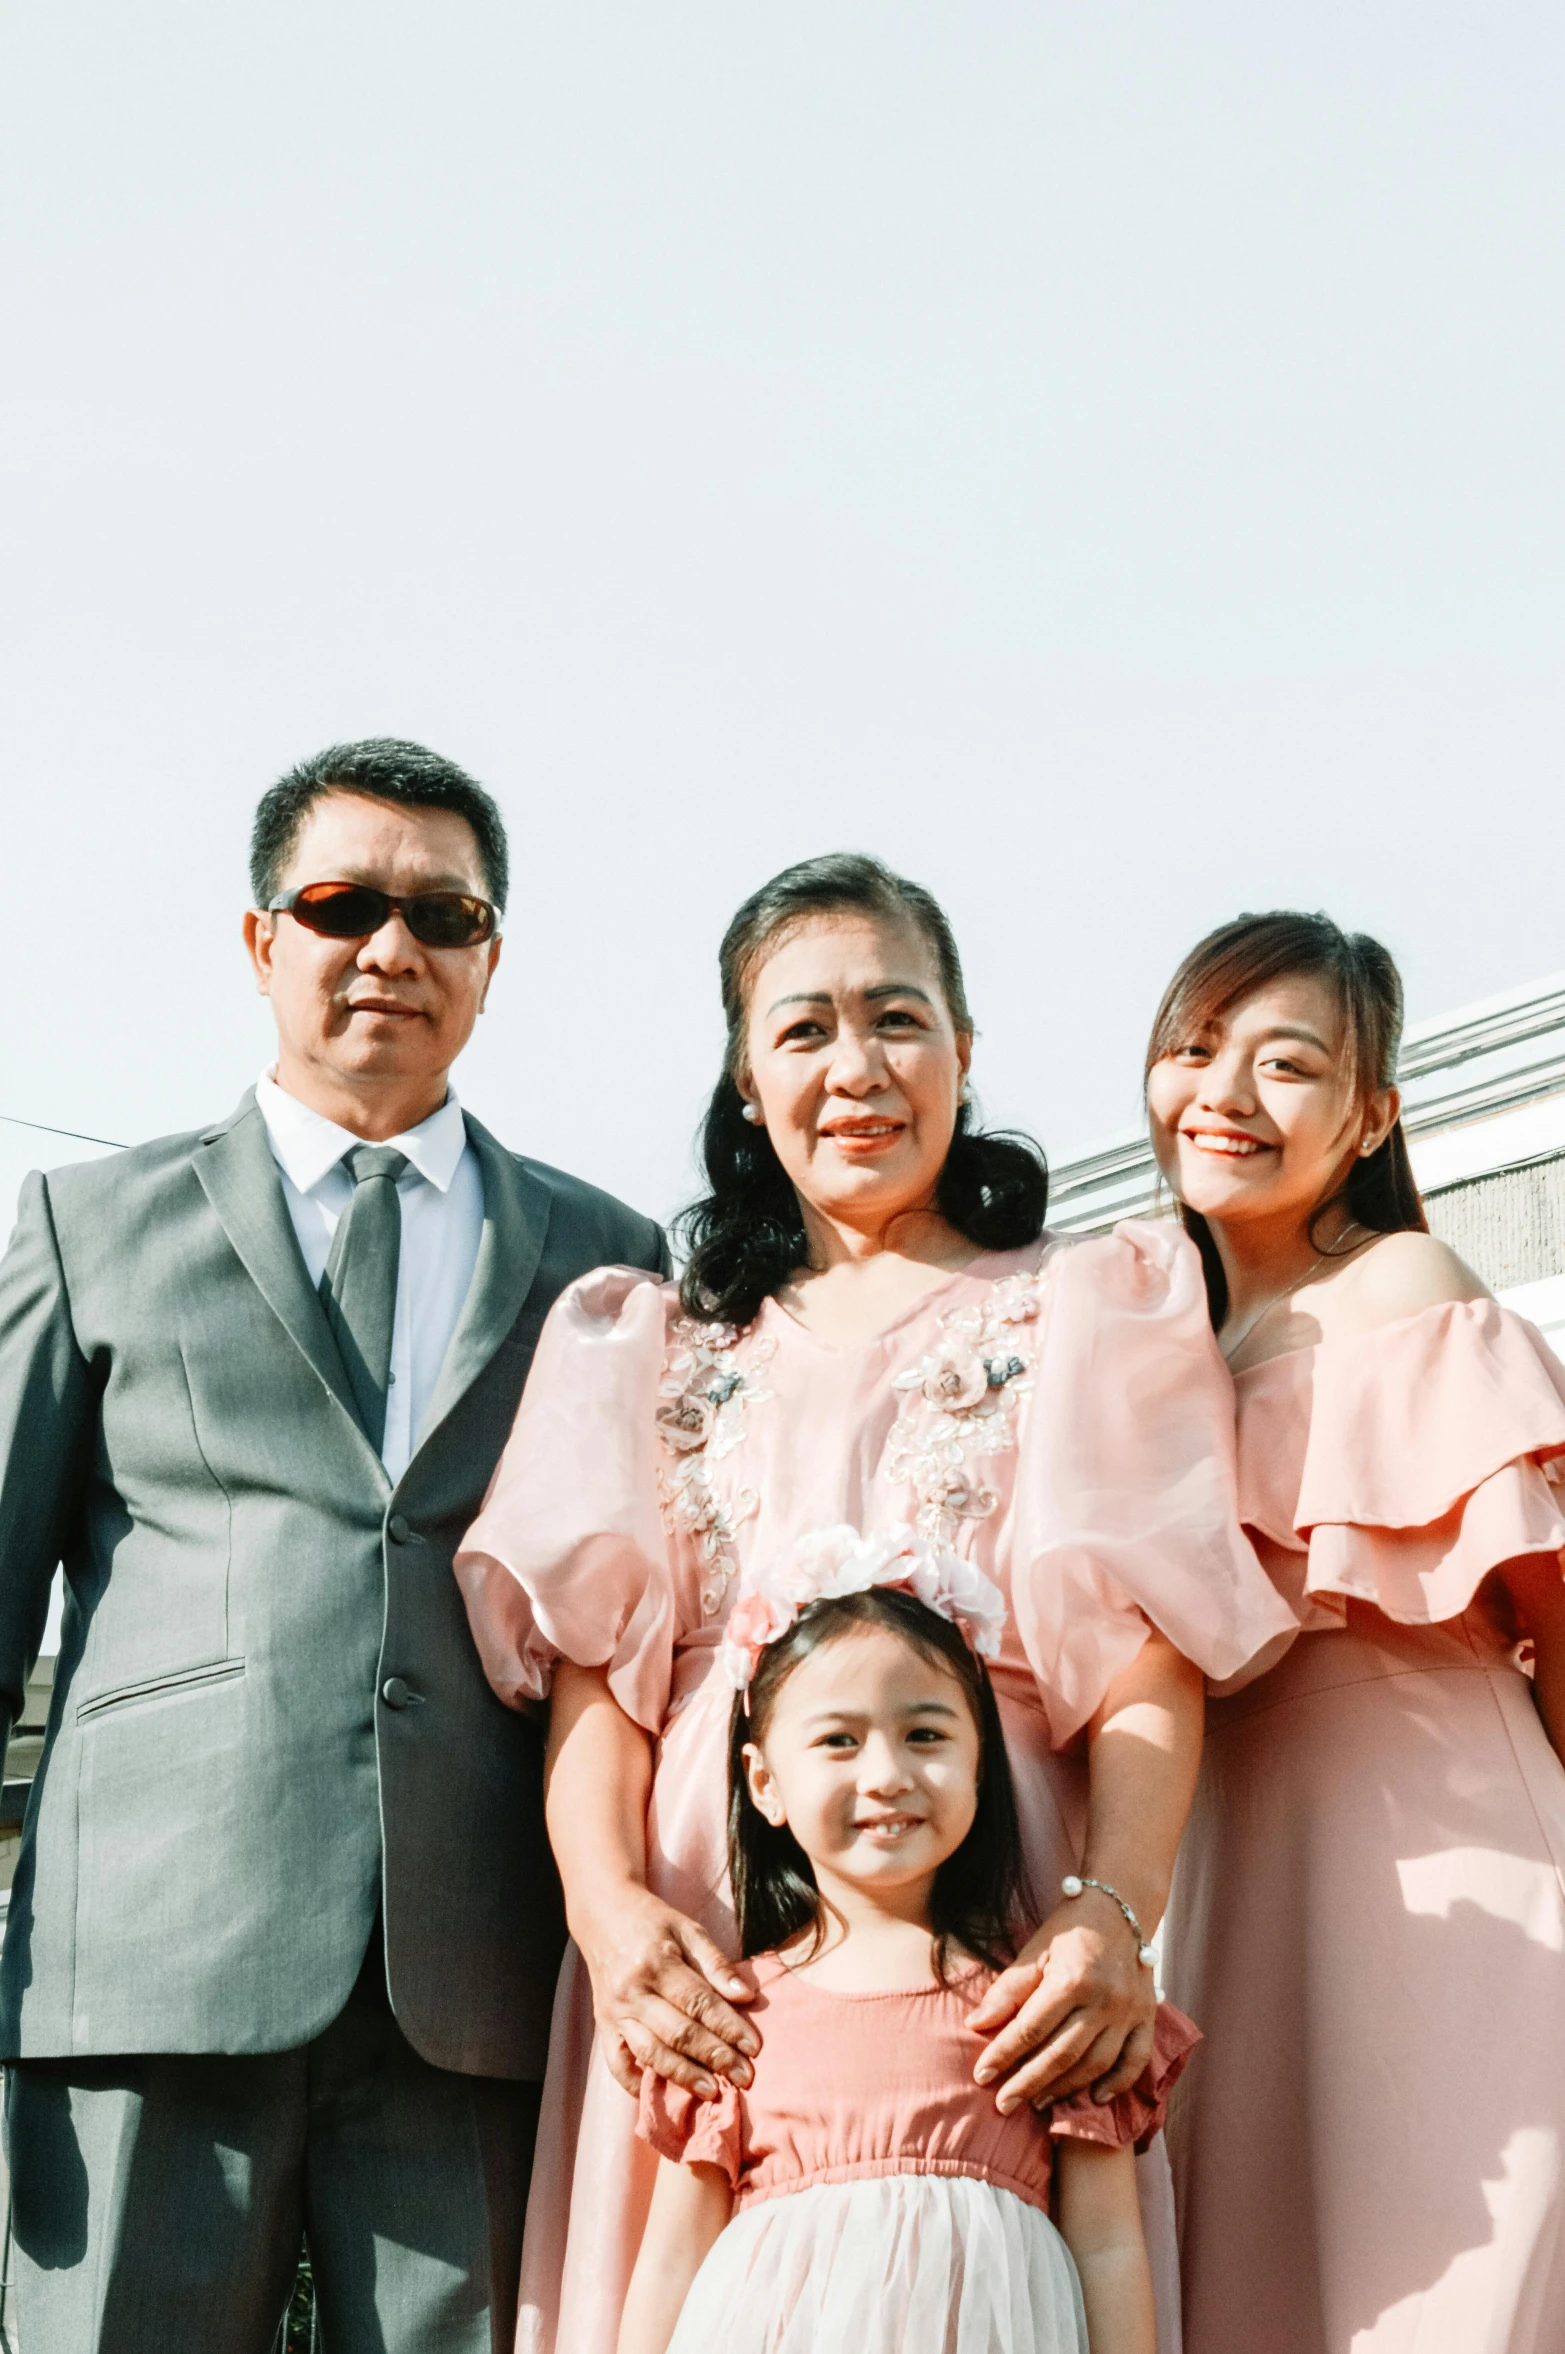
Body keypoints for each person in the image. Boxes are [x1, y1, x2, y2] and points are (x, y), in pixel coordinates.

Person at [454, 852, 1295, 2354]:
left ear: (963, 1050)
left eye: (897, 1018)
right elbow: (597, 1685)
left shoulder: (1092, 1303)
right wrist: (609, 1911)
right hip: (696, 1945)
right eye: (803, 1028)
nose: (856, 1068)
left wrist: (1112, 1916)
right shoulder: (641, 1336)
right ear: (741, 1077)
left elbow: (1149, 1663)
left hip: (1000, 1910)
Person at [0, 739, 667, 2352]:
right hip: (144, 1958)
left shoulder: (609, 1252)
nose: (393, 946)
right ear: (261, 941)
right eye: (342, 902)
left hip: (479, 1968)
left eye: (444, 914)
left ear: (490, 961)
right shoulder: (87, 1228)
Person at [1145, 910, 1565, 2354]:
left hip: (1456, 1873)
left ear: (1372, 1111)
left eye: (1286, 1064)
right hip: (1231, 1878)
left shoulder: (1410, 1294)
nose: (1224, 1094)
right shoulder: (1150, 1342)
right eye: (1196, 1048)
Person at [618, 1542, 1199, 2354]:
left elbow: (1105, 2248)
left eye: (924, 1735)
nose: (886, 1773)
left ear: (978, 1765)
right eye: (838, 1742)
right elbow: (673, 2259)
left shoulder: (1043, 2017)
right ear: (763, 1784)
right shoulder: (733, 2020)